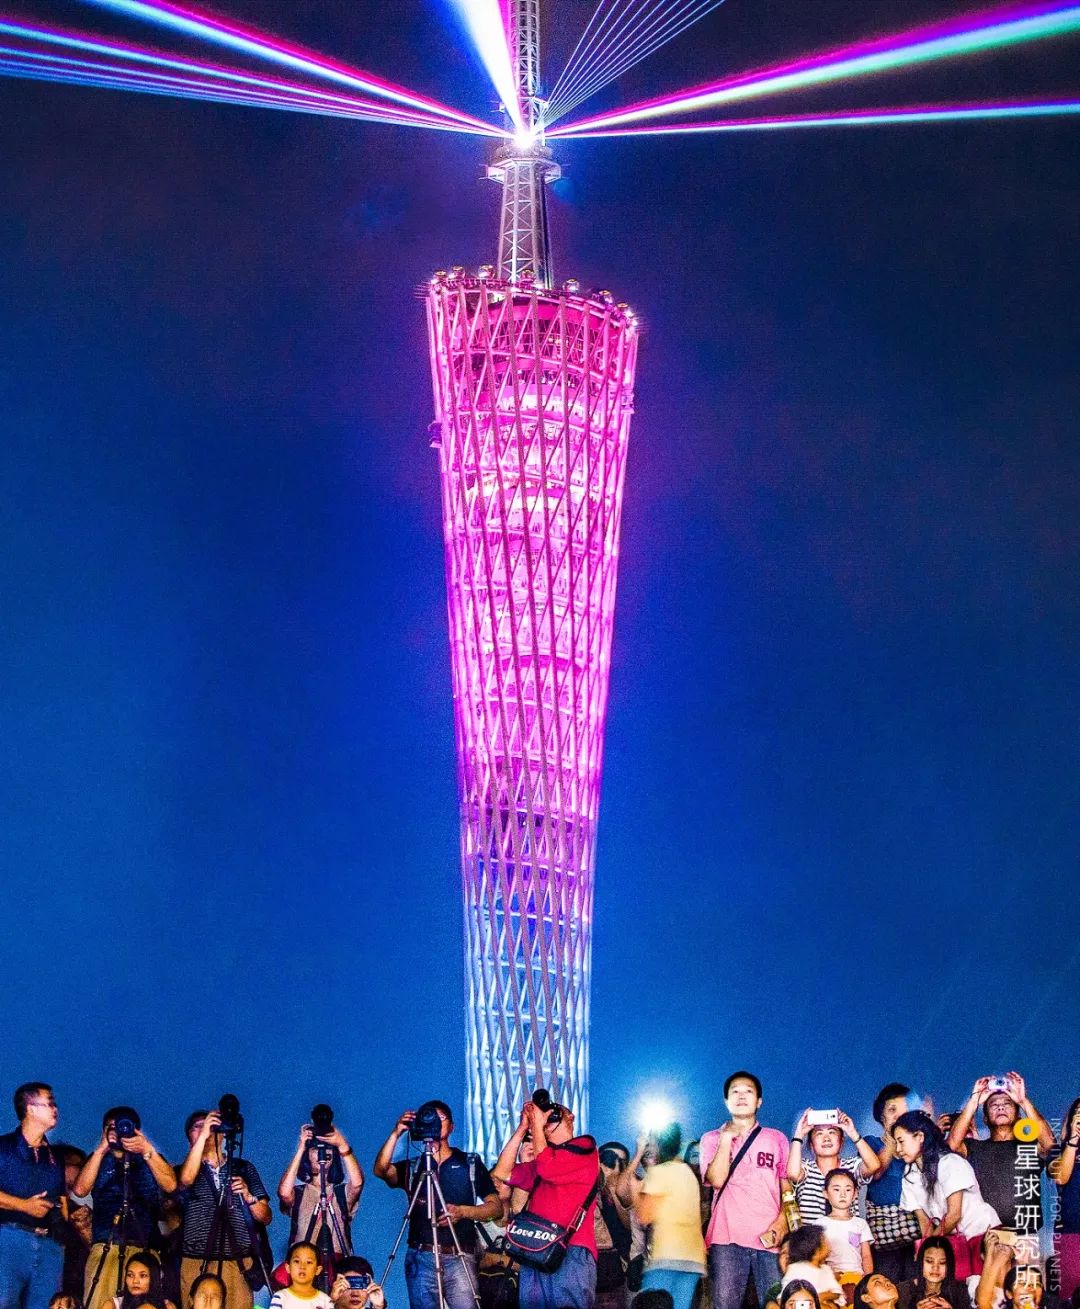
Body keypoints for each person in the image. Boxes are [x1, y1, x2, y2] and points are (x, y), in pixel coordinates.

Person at [374, 1101, 499, 1309]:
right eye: (429, 1117)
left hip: (459, 1255)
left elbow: (495, 1208)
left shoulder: (469, 1163)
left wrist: (463, 1212)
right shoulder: (415, 1167)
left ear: (452, 1127)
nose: (435, 1122)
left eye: (441, 1118)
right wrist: (396, 1133)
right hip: (421, 1255)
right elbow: (381, 1170)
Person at [493, 1095, 601, 1309]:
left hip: (571, 1249)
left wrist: (537, 1124)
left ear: (570, 1117)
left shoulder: (585, 1148)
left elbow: (548, 1168)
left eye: (554, 1114)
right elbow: (502, 1172)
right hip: (535, 1247)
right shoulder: (544, 1158)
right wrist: (523, 1128)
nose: (547, 1118)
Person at [700, 1072, 789, 1309]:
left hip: (769, 1238)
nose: (741, 1096)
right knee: (725, 1304)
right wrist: (726, 1140)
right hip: (726, 1238)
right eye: (735, 1092)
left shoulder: (776, 1138)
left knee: (774, 1303)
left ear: (759, 1101)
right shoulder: (711, 1139)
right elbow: (716, 1180)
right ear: (726, 1101)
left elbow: (787, 1188)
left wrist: (783, 1221)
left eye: (748, 1091)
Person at [74, 1108, 177, 1309]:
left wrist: (146, 1148)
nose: (118, 1132)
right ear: (103, 1131)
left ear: (136, 1130)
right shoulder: (98, 1159)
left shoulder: (149, 1157)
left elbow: (171, 1185)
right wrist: (100, 1150)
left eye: (123, 1126)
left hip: (145, 1248)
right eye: (111, 1127)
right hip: (106, 1246)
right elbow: (80, 1189)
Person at [176, 1109, 272, 1309]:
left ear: (223, 1134)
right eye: (198, 1127)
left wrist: (249, 1196)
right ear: (189, 1137)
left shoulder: (244, 1168)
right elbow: (185, 1180)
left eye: (212, 1126)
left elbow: (266, 1217)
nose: (206, 1130)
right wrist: (204, 1136)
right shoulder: (183, 1170)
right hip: (195, 1260)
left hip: (237, 1262)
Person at [947, 1076, 1053, 1253]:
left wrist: (1023, 1100)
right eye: (993, 1105)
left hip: (1025, 1238)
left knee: (1027, 1273)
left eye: (1007, 1104)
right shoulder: (975, 1147)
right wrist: (974, 1101)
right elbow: (952, 1144)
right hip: (985, 1237)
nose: (1001, 1107)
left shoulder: (1030, 1146)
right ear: (985, 1119)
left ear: (1018, 1115)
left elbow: (1048, 1143)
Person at [892, 1112, 998, 1278]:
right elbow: (923, 1221)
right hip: (952, 1242)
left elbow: (954, 1215)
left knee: (984, 1289)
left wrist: (927, 1250)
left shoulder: (950, 1162)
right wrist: (928, 1248)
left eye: (901, 1141)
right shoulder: (909, 1174)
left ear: (920, 1137)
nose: (898, 1150)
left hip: (982, 1236)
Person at [0, 1083, 67, 1309]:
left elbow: (61, 1200)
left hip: (48, 1244)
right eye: (50, 1103)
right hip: (9, 1238)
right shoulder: (3, 1148)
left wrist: (62, 1241)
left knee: (45, 1305)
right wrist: (23, 1205)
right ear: (30, 1108)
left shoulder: (55, 1156)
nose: (55, 1109)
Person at [277, 1118, 364, 1279]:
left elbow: (357, 1183)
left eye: (327, 1149)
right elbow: (284, 1193)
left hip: (337, 1263)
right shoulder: (300, 1192)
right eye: (315, 1149)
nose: (322, 1153)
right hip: (303, 1264)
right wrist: (301, 1148)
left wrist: (342, 1145)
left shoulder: (340, 1192)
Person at [636, 1123, 705, 1309]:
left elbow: (644, 1216)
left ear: (658, 1145)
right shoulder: (688, 1173)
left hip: (666, 1255)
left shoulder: (659, 1172)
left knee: (649, 1305)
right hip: (693, 1258)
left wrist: (637, 1194)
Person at [864, 1087, 922, 1284]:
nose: (899, 1115)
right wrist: (892, 1137)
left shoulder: (918, 1146)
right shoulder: (871, 1143)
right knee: (887, 1288)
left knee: (918, 1288)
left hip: (918, 1231)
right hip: (885, 1236)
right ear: (881, 1117)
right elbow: (877, 1171)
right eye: (892, 1110)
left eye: (905, 1110)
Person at [788, 1116, 879, 1223]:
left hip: (847, 1233)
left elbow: (874, 1165)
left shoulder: (851, 1167)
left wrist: (853, 1133)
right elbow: (793, 1174)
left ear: (841, 1142)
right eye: (819, 1133)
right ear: (811, 1145)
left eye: (832, 1132)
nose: (826, 1138)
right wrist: (798, 1135)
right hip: (812, 1233)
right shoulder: (806, 1168)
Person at [1048, 1097, 1080, 1302]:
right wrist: (1073, 1140)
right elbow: (1060, 1177)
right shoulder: (1058, 1150)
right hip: (1071, 1232)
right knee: (1070, 1292)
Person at [819, 1172, 873, 1284]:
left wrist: (867, 1281)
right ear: (825, 1193)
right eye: (836, 1189)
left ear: (855, 1194)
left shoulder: (860, 1224)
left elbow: (866, 1256)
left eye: (848, 1190)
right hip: (832, 1280)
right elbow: (818, 1257)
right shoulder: (820, 1224)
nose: (842, 1194)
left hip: (857, 1278)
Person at [896, 1236, 972, 1309]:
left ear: (949, 1265)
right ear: (920, 1262)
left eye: (942, 1262)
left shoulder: (960, 1290)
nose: (935, 1268)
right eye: (929, 1261)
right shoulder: (903, 1291)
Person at [781, 1227, 843, 1307]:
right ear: (816, 1253)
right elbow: (783, 1296)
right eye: (825, 1242)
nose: (829, 1245)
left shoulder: (826, 1270)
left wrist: (821, 1297)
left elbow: (836, 1293)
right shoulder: (794, 1269)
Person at [268, 1243, 332, 1309]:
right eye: (297, 1261)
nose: (302, 1266)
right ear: (288, 1268)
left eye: (308, 1262)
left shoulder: (326, 1301)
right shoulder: (281, 1297)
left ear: (317, 1270)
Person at [110, 1251, 176, 1309]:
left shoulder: (168, 1306)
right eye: (130, 1275)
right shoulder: (112, 1305)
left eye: (142, 1275)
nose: (135, 1281)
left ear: (154, 1278)